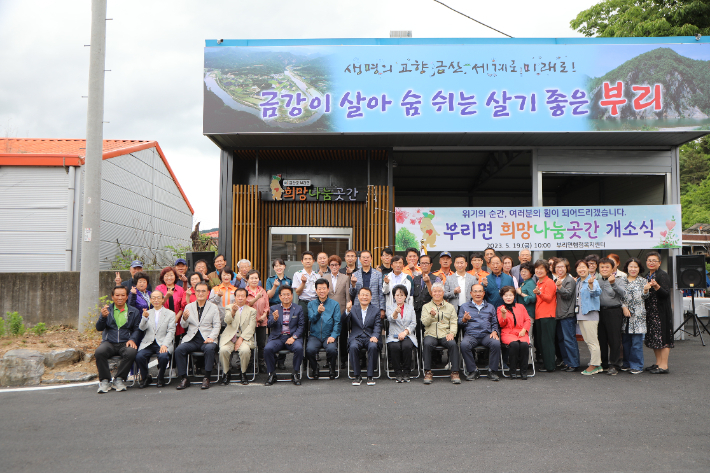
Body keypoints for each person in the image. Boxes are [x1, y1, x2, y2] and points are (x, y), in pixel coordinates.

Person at [175, 282, 221, 390]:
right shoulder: (189, 306)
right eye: (198, 291)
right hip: (192, 339)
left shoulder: (213, 307)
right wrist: (184, 319)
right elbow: (183, 325)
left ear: (208, 293)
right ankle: (184, 378)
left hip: (207, 338)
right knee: (179, 350)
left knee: (210, 349)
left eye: (203, 291)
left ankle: (207, 378)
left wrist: (212, 337)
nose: (200, 293)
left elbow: (217, 325)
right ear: (194, 292)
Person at [95, 286, 141, 393]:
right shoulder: (107, 310)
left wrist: (133, 339)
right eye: (117, 295)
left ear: (127, 297)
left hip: (125, 342)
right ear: (112, 296)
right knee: (99, 352)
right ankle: (105, 380)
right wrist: (103, 317)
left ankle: (119, 379)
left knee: (131, 352)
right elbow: (99, 328)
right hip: (109, 342)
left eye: (123, 295)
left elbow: (137, 329)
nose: (120, 298)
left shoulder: (133, 311)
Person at [458, 284, 501, 381]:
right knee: (464, 345)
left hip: (486, 334)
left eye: (480, 291)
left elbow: (494, 322)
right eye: (475, 291)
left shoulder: (490, 307)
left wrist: (494, 331)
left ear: (484, 293)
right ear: (471, 293)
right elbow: (459, 323)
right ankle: (473, 370)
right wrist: (464, 320)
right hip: (471, 335)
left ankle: (492, 371)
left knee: (496, 343)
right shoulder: (464, 306)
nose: (478, 294)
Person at [264, 286, 305, 386]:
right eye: (283, 295)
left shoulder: (298, 308)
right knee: (267, 349)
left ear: (292, 295)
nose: (286, 297)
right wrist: (274, 319)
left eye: (288, 294)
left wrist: (294, 337)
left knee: (299, 348)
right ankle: (272, 374)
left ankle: (295, 373)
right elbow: (269, 325)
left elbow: (301, 326)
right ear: (279, 296)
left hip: (292, 337)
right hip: (278, 338)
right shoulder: (274, 308)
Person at [421, 283, 460, 384]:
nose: (437, 293)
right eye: (435, 291)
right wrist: (431, 316)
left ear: (443, 293)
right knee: (427, 343)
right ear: (431, 293)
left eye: (439, 291)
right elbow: (424, 322)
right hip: (431, 333)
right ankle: (428, 372)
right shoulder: (426, 307)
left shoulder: (450, 307)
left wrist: (452, 333)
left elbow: (454, 322)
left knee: (453, 344)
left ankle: (455, 372)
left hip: (445, 334)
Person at [135, 291, 175, 388]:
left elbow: (171, 331)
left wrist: (165, 345)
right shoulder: (147, 313)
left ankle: (160, 377)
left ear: (162, 299)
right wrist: (144, 318)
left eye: (158, 298)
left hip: (162, 341)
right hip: (148, 342)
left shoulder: (170, 314)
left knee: (163, 356)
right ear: (151, 300)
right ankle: (145, 377)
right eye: (153, 298)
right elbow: (142, 328)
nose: (156, 300)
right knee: (139, 356)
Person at [218, 287, 256, 386]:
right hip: (230, 337)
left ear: (246, 297)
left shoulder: (252, 310)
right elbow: (227, 321)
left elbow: (251, 327)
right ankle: (226, 373)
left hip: (244, 338)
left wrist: (241, 339)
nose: (240, 298)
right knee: (223, 350)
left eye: (243, 296)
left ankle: (243, 373)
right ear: (234, 297)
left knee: (245, 351)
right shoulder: (229, 307)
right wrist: (233, 312)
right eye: (238, 296)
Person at [344, 288, 382, 386]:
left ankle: (370, 376)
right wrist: (347, 311)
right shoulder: (353, 309)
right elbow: (345, 322)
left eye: (367, 295)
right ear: (358, 296)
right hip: (356, 337)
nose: (364, 297)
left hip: (370, 336)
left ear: (371, 297)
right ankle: (357, 376)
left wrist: (375, 336)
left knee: (373, 346)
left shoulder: (376, 310)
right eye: (362, 295)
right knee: (353, 347)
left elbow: (378, 326)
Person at [644, 252, 673, 374]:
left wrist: (656, 286)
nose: (651, 262)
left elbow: (666, 294)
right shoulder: (647, 275)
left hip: (661, 312)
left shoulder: (662, 275)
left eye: (654, 260)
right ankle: (657, 363)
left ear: (659, 263)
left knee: (664, 337)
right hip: (651, 312)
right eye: (649, 260)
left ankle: (664, 366)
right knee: (655, 338)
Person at [306, 279, 341, 380]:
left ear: (328, 289)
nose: (322, 291)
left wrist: (333, 336)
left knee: (332, 350)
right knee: (309, 350)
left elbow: (337, 322)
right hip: (315, 335)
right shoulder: (311, 304)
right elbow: (311, 319)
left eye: (324, 288)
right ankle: (315, 367)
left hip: (328, 335)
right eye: (319, 289)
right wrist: (318, 312)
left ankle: (331, 367)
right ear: (316, 290)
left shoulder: (334, 304)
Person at [598, 257, 627, 376]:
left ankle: (614, 364)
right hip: (599, 312)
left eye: (607, 267)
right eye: (602, 267)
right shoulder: (597, 280)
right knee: (602, 339)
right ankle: (603, 363)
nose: (604, 269)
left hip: (614, 312)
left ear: (613, 268)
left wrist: (613, 283)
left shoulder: (619, 280)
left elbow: (624, 293)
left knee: (614, 339)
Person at [574, 260, 603, 376]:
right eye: (579, 267)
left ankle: (595, 364)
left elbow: (597, 292)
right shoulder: (579, 282)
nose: (581, 269)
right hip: (581, 315)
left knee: (592, 341)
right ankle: (597, 363)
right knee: (587, 340)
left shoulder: (592, 281)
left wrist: (591, 285)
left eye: (583, 267)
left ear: (588, 268)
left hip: (590, 315)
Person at [497, 286, 532, 380]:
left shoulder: (521, 306)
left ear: (514, 296)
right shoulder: (500, 308)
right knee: (515, 345)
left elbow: (527, 320)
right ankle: (512, 371)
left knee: (524, 345)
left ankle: (523, 371)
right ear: (502, 297)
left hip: (521, 332)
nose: (508, 297)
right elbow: (501, 324)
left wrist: (524, 329)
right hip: (508, 333)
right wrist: (503, 314)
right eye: (506, 295)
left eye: (510, 295)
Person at [621, 258, 648, 375]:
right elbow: (618, 296)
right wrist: (623, 307)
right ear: (627, 267)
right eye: (631, 266)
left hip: (638, 316)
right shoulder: (621, 280)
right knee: (625, 342)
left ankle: (637, 365)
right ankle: (626, 364)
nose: (633, 269)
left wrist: (646, 291)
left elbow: (645, 297)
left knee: (636, 343)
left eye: (635, 267)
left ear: (639, 268)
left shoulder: (643, 281)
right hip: (623, 316)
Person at [385, 285, 417, 382]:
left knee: (406, 346)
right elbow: (390, 319)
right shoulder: (390, 307)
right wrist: (395, 312)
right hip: (393, 335)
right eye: (397, 295)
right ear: (394, 296)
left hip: (407, 335)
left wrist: (405, 332)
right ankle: (398, 372)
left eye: (402, 295)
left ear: (405, 296)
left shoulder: (410, 308)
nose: (399, 297)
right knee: (395, 347)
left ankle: (407, 372)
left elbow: (413, 323)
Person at [554, 258, 579, 372]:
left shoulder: (569, 280)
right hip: (559, 314)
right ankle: (567, 362)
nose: (560, 269)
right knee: (562, 340)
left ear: (567, 268)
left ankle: (574, 363)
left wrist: (559, 287)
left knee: (569, 340)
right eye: (557, 267)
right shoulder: (557, 279)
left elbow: (568, 295)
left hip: (567, 314)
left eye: (562, 266)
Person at [533, 260, 557, 372]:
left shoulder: (549, 282)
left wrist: (539, 293)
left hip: (548, 315)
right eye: (537, 268)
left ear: (547, 270)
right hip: (539, 315)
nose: (539, 271)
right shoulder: (538, 282)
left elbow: (548, 298)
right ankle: (546, 364)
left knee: (547, 341)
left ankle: (550, 366)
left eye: (541, 268)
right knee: (542, 341)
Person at [327, 255, 350, 369]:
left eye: (336, 264)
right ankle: (329, 360)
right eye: (332, 264)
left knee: (343, 336)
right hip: (328, 312)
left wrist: (347, 310)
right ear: (329, 266)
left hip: (341, 311)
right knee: (328, 335)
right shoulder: (325, 277)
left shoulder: (345, 278)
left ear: (340, 266)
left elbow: (347, 296)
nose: (334, 266)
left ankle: (343, 360)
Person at [245, 269, 269, 373]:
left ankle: (261, 363)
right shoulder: (244, 291)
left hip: (261, 321)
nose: (254, 280)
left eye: (256, 278)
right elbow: (246, 305)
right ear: (247, 280)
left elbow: (267, 306)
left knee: (261, 343)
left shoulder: (262, 291)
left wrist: (264, 315)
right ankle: (250, 364)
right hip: (249, 322)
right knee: (249, 344)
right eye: (252, 278)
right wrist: (256, 297)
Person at [349, 250, 385, 318]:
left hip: (374, 306)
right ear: (360, 259)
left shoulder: (378, 274)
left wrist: (382, 308)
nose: (366, 259)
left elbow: (381, 292)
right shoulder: (355, 274)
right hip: (359, 306)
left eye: (368, 257)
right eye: (363, 257)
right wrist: (353, 285)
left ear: (371, 259)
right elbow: (352, 294)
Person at [155, 266, 186, 342]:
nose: (169, 278)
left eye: (171, 275)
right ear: (163, 277)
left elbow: (183, 306)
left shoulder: (180, 289)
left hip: (177, 320)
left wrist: (176, 318)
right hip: (162, 320)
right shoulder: (159, 289)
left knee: (176, 342)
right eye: (166, 275)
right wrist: (166, 296)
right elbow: (157, 304)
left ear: (175, 277)